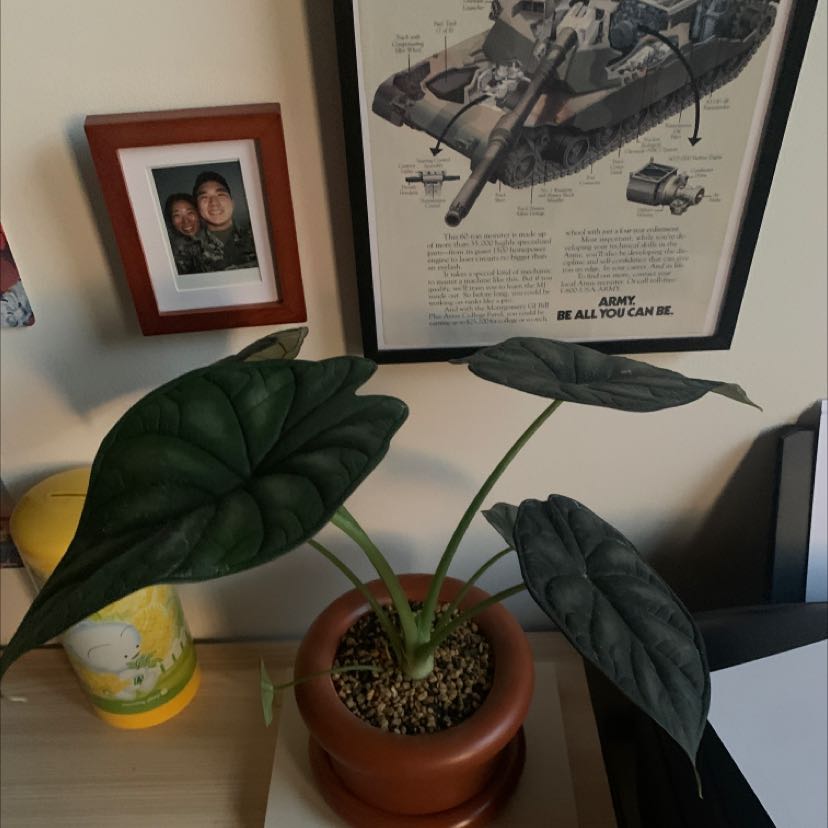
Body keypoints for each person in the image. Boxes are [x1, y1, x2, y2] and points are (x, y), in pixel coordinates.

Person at [192, 171, 258, 271]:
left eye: (220, 195)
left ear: (232, 202)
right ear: (197, 208)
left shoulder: (258, 237)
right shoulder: (189, 249)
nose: (214, 203)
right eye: (204, 197)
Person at [164, 193, 204, 275]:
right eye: (177, 215)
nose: (186, 221)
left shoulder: (215, 240)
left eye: (190, 213)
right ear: (171, 221)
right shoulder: (169, 252)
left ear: (199, 213)